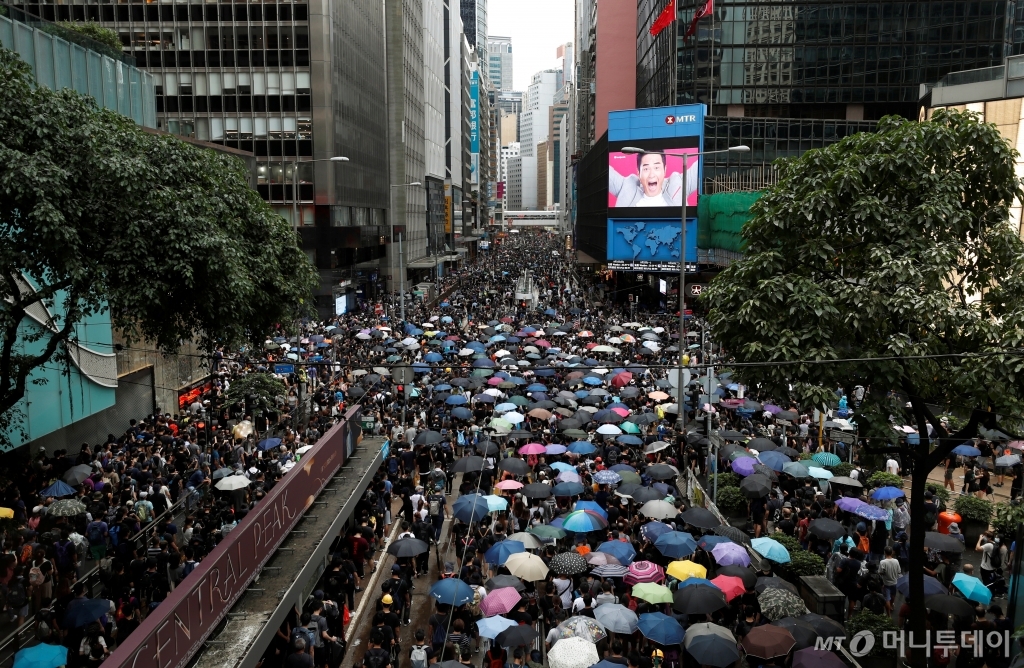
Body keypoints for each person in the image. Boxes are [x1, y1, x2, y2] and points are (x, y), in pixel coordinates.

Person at [609, 151, 694, 207]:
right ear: (638, 173)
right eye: (646, 169)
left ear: (665, 170)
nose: (651, 174)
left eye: (656, 167)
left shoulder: (678, 184)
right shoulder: (626, 187)